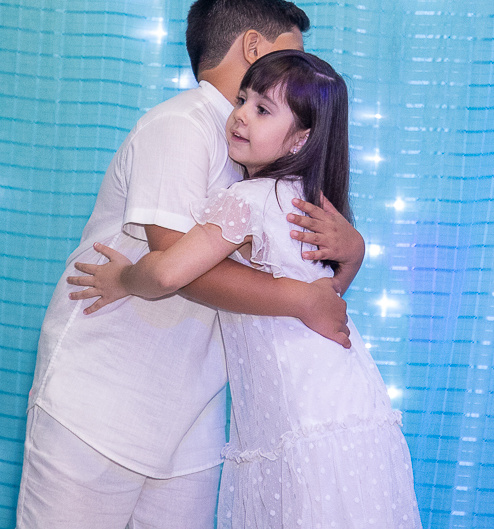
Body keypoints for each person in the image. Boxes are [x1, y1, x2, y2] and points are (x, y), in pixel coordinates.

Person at [17, 0, 367, 529]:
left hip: (190, 411)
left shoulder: (262, 161)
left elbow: (315, 283)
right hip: (103, 398)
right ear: (253, 47)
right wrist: (301, 298)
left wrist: (352, 251)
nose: (299, 74)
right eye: (291, 55)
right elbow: (176, 266)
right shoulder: (182, 124)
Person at [71, 49, 421, 529]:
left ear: (301, 138)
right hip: (346, 401)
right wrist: (353, 255)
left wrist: (123, 278)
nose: (240, 115)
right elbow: (328, 293)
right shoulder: (306, 201)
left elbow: (170, 274)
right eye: (242, 100)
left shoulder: (246, 199)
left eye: (262, 109)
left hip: (301, 410)